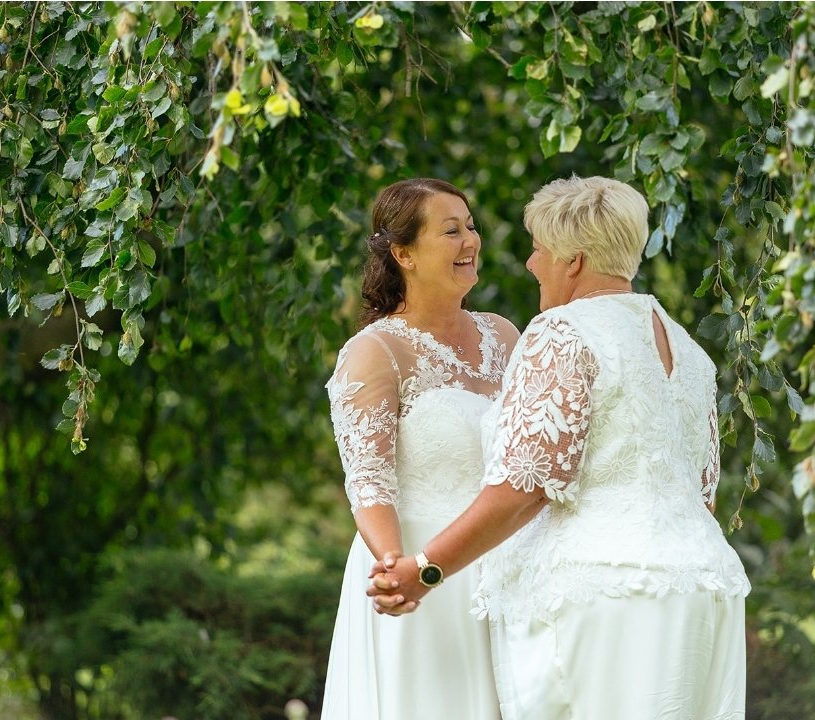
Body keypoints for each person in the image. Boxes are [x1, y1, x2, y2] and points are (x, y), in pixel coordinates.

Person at [368, 175, 751, 719]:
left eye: (539, 250)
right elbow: (701, 495)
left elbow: (523, 488)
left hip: (604, 599)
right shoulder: (687, 350)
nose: (530, 264)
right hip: (705, 589)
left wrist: (426, 569)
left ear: (572, 261)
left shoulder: (563, 332)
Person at [321, 178, 520, 719]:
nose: (470, 241)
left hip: (507, 569)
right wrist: (395, 570)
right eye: (451, 230)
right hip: (420, 574)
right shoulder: (374, 351)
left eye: (472, 227)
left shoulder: (505, 337)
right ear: (403, 252)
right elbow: (369, 480)